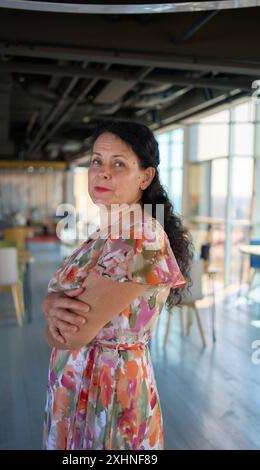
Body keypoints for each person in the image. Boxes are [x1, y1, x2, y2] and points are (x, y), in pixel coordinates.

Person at [42, 120, 194, 450]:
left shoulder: (139, 238)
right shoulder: (109, 230)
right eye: (96, 160)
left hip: (108, 397)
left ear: (146, 176)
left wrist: (51, 307)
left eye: (118, 163)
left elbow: (71, 335)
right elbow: (58, 313)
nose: (103, 172)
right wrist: (50, 305)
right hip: (83, 386)